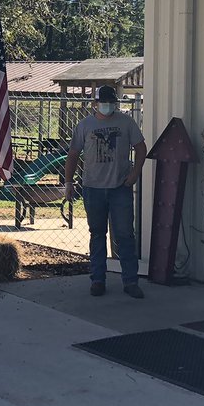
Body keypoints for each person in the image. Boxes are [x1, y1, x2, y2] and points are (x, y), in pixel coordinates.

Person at [64, 85, 147, 298]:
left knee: (125, 234)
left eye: (111, 102)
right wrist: (69, 182)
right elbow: (73, 154)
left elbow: (141, 148)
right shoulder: (84, 125)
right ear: (95, 104)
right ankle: (98, 279)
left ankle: (130, 281)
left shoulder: (126, 122)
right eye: (104, 102)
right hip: (93, 188)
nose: (108, 106)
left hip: (120, 187)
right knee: (97, 233)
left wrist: (135, 173)